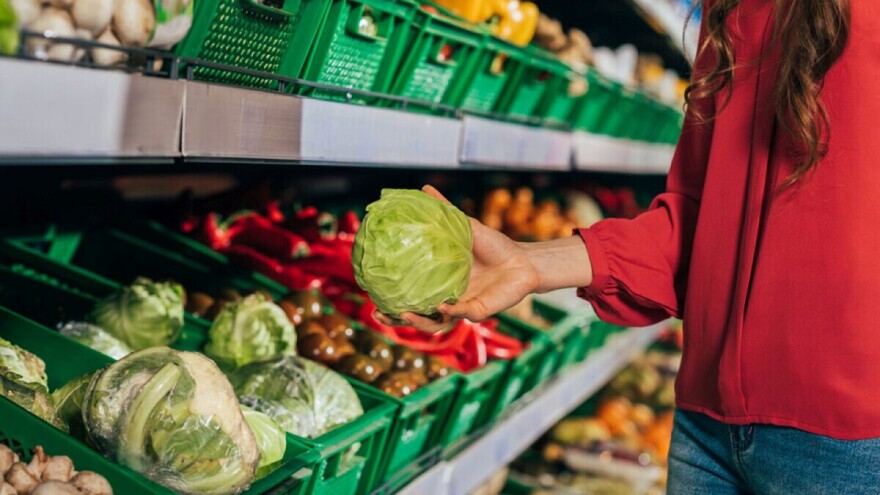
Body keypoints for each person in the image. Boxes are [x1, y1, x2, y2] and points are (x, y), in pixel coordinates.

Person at [377, 0, 880, 492]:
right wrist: (529, 262)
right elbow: (696, 223)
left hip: (850, 442)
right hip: (704, 431)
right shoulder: (729, 8)